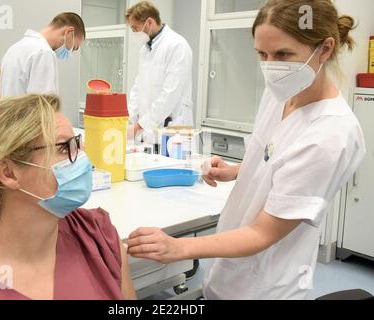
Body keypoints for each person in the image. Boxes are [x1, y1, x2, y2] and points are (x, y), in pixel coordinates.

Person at [127, 0, 366, 300]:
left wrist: (178, 248)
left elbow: (262, 233)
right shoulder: (281, 93)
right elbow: (274, 158)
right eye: (262, 54)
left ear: (325, 49)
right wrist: (237, 171)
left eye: (283, 54)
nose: (270, 66)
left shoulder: (330, 134)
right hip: (228, 273)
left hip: (266, 288)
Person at [0, 94, 135, 300]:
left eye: (76, 143)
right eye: (63, 147)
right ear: (8, 173)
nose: (83, 158)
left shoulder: (98, 235)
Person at [126, 1, 194, 142]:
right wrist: (129, 120)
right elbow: (138, 88)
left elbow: (169, 94)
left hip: (172, 129)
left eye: (135, 28)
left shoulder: (177, 45)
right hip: (147, 131)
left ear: (149, 22)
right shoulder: (145, 50)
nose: (134, 33)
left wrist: (139, 126)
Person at [0, 13, 85, 97]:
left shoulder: (14, 48)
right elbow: (42, 103)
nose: (69, 53)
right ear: (69, 32)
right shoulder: (44, 53)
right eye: (73, 48)